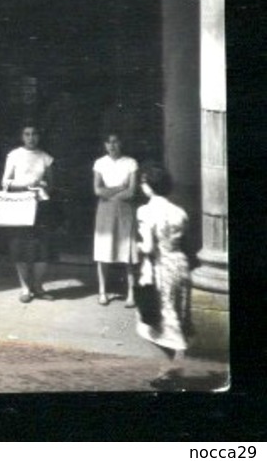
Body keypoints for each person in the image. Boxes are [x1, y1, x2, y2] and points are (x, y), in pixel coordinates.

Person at [134, 164, 192, 377]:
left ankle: (174, 363)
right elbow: (184, 241)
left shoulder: (146, 211)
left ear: (149, 186)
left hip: (159, 267)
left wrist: (137, 247)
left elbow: (148, 247)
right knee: (175, 313)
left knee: (153, 319)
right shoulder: (180, 211)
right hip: (180, 265)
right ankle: (170, 368)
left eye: (143, 182)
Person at [1, 124, 55, 302]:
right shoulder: (14, 155)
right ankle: (25, 288)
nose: (31, 137)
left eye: (34, 134)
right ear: (22, 136)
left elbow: (51, 183)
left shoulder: (45, 158)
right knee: (20, 246)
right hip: (20, 205)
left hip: (41, 206)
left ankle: (38, 286)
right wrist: (24, 185)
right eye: (27, 134)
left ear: (39, 136)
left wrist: (42, 185)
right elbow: (5, 182)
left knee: (42, 246)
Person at [92, 132, 141, 306]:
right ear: (105, 145)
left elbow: (131, 191)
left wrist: (110, 192)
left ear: (121, 143)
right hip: (105, 212)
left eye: (115, 141)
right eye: (108, 142)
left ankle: (131, 293)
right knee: (104, 250)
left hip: (125, 210)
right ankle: (102, 292)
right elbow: (97, 190)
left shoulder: (130, 163)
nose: (112, 145)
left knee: (127, 252)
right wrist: (120, 188)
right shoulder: (100, 163)